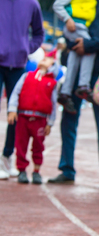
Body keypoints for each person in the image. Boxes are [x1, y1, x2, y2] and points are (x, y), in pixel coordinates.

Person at [48, 0, 99, 187]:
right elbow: (67, 19)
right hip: (76, 65)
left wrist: (89, 44)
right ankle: (66, 168)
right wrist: (73, 40)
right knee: (69, 116)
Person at [0, 0, 44, 180]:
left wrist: (26, 49)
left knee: (16, 112)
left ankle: (6, 157)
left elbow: (39, 33)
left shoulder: (32, 3)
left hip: (18, 65)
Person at [6, 53, 59, 185]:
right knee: (21, 144)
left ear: (53, 65)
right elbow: (16, 93)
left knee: (38, 146)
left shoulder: (52, 83)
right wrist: (12, 109)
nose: (43, 60)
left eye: (47, 60)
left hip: (40, 120)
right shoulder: (27, 76)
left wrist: (50, 123)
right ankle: (22, 170)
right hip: (23, 117)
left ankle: (36, 170)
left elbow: (53, 103)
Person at [53, 0, 97, 113]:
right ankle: (83, 85)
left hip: (83, 26)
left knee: (74, 55)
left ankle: (65, 92)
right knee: (89, 49)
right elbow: (57, 5)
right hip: (75, 25)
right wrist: (67, 19)